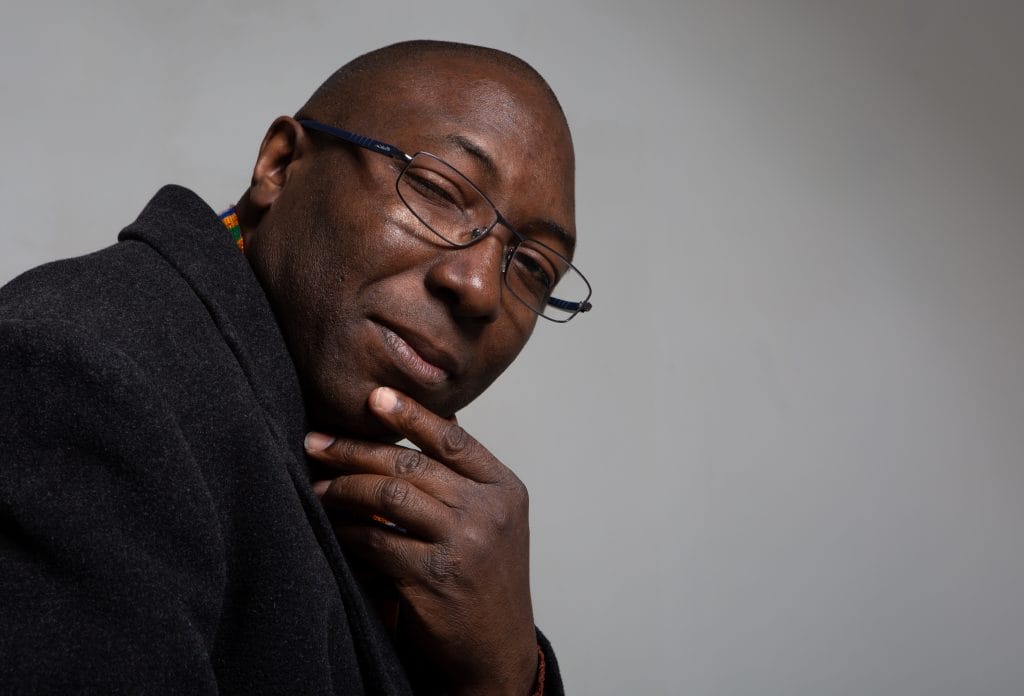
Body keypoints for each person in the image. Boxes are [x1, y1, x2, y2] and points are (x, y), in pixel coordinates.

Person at [0, 40, 591, 695]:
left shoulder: (339, 460)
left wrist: (508, 670)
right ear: (280, 164)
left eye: (534, 268)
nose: (480, 287)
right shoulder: (86, 371)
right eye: (439, 190)